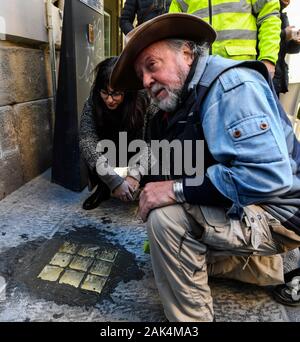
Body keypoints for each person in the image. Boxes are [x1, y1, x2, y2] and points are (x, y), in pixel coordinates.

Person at [110, 13, 300, 321]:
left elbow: (268, 176)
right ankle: (285, 266)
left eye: (152, 65)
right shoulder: (171, 107)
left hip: (278, 212)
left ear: (186, 52)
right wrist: (140, 178)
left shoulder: (230, 85)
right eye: (141, 74)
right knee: (165, 254)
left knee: (166, 221)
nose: (145, 81)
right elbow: (161, 160)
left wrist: (175, 190)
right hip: (244, 206)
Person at [79, 57, 148, 210]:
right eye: (105, 92)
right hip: (107, 151)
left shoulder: (143, 99)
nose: (109, 100)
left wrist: (134, 174)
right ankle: (103, 188)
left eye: (116, 94)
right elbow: (87, 140)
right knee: (90, 149)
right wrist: (113, 181)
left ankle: (140, 187)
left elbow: (149, 142)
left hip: (134, 149)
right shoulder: (92, 102)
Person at [168, 0, 281, 78]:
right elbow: (174, 29)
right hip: (199, 73)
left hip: (242, 69)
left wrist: (268, 60)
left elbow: (269, 16)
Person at [273, 0, 300, 97]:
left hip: (277, 77)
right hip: (264, 73)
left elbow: (286, 48)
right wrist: (284, 33)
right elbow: (260, 37)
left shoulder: (282, 16)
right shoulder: (261, 11)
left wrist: (296, 42)